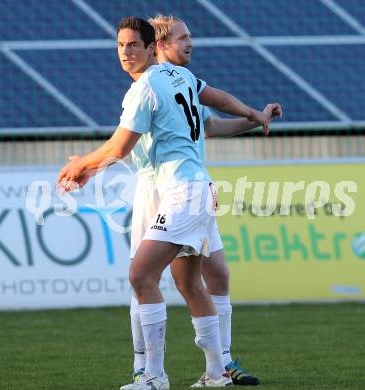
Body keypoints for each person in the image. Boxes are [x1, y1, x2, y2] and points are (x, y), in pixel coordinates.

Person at [57, 16, 272, 389]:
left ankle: (155, 375)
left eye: (132, 45)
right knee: (185, 281)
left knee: (143, 276)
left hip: (179, 190)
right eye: (120, 46)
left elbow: (120, 147)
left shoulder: (149, 87)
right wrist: (253, 115)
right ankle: (210, 370)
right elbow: (210, 106)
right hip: (173, 188)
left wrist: (82, 163)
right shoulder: (179, 78)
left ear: (150, 47)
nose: (125, 53)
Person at [128, 14, 282, 387]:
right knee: (145, 276)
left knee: (209, 275)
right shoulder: (154, 85)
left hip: (189, 188)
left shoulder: (181, 81)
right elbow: (129, 141)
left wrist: (252, 117)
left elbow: (209, 125)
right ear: (159, 45)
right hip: (159, 189)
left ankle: (219, 365)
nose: (191, 43)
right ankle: (145, 365)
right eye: (183, 38)